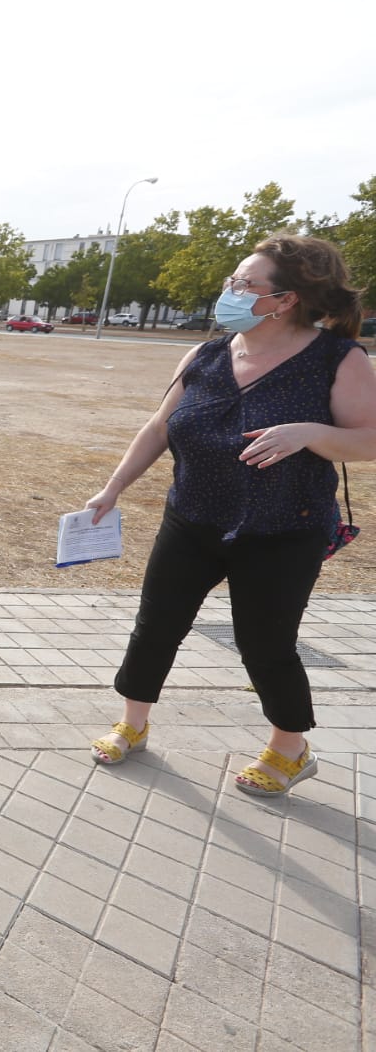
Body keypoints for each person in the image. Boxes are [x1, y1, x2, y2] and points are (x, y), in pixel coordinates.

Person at [85, 234, 376, 797]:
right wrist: (113, 487)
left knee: (266, 644)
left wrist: (309, 433)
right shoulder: (207, 354)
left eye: (244, 284)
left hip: (284, 528)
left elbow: (369, 439)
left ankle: (290, 749)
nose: (230, 291)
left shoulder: (338, 359)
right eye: (231, 282)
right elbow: (159, 426)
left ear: (285, 300)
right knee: (156, 625)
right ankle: (133, 724)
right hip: (192, 516)